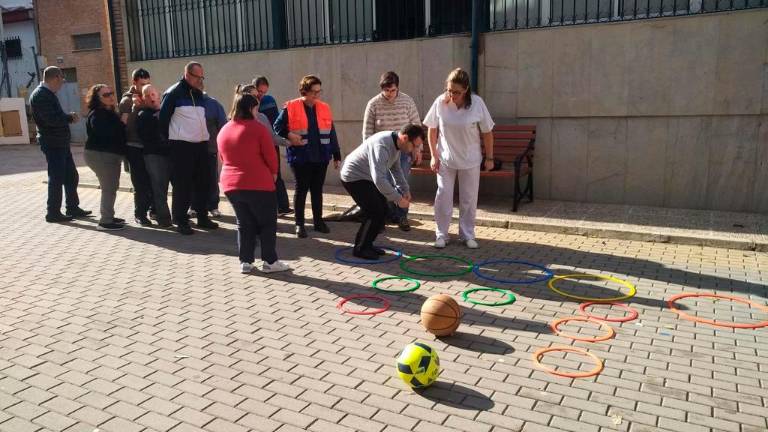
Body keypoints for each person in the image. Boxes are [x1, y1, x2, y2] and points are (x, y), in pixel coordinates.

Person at [218, 92, 290, 274]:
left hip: (231, 184)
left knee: (244, 223)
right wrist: (273, 174)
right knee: (267, 223)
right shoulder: (258, 129)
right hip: (257, 183)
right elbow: (270, 156)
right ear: (251, 108)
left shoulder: (225, 129)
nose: (258, 112)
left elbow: (222, 156)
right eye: (257, 108)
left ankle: (246, 262)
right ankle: (270, 261)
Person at [424, 68, 495, 249]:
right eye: (449, 90)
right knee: (443, 196)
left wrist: (490, 158)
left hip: (470, 159)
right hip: (445, 159)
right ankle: (441, 234)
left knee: (469, 199)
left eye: (456, 92)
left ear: (465, 90)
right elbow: (432, 129)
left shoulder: (477, 103)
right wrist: (433, 155)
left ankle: (467, 234)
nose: (452, 95)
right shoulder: (440, 102)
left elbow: (487, 132)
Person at [340, 124, 424, 260]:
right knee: (374, 212)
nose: (414, 150)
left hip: (367, 178)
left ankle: (368, 244)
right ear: (405, 138)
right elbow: (379, 179)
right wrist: (398, 199)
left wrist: (405, 189)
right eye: (414, 146)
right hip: (353, 177)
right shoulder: (382, 146)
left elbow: (396, 170)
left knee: (383, 210)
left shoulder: (397, 145)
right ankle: (360, 248)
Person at [274, 75, 341, 239]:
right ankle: (299, 224)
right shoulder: (290, 107)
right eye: (313, 92)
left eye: (319, 91)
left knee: (317, 190)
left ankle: (318, 222)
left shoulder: (324, 107)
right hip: (301, 157)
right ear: (304, 91)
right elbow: (277, 127)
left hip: (321, 156)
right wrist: (289, 135)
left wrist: (336, 153)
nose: (317, 95)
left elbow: (331, 131)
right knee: (301, 190)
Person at [159, 61, 218, 235]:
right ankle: (180, 219)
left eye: (202, 77)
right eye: (197, 77)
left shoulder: (199, 94)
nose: (200, 80)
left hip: (200, 145)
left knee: (203, 183)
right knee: (182, 185)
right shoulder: (173, 93)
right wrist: (169, 144)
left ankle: (202, 216)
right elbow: (162, 120)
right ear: (187, 74)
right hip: (181, 146)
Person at [361, 71, 421, 231]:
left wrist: (418, 149)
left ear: (398, 88)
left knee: (401, 183)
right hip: (382, 151)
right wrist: (368, 155)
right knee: (382, 183)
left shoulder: (407, 101)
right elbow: (367, 132)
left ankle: (402, 216)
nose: (389, 94)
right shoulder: (373, 104)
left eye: (392, 90)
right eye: (386, 90)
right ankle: (384, 217)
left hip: (404, 150)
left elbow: (417, 126)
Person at [30, 66, 91, 222]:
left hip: (60, 142)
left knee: (71, 176)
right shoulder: (41, 95)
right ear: (55, 77)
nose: (62, 83)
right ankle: (53, 212)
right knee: (56, 177)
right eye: (62, 79)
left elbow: (53, 117)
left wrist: (66, 117)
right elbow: (50, 120)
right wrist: (69, 118)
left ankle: (72, 207)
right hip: (53, 143)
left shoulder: (47, 94)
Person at [84, 84, 127, 231]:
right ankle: (105, 221)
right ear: (97, 99)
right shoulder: (97, 114)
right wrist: (122, 123)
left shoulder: (108, 112)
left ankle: (109, 215)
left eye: (111, 93)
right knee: (109, 187)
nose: (111, 96)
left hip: (108, 155)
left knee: (111, 186)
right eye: (106, 95)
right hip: (100, 155)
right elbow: (106, 133)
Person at [253, 76, 292, 216]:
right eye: (259, 91)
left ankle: (282, 206)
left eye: (264, 92)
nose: (261, 95)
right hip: (259, 145)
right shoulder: (250, 103)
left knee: (276, 173)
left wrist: (283, 139)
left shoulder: (269, 101)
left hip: (271, 142)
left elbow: (275, 122)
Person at [119, 68, 154, 226]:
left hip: (148, 146)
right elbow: (125, 126)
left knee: (152, 181)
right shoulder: (127, 100)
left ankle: (153, 210)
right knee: (140, 183)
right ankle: (140, 214)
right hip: (133, 146)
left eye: (147, 83)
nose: (145, 86)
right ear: (134, 83)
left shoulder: (148, 95)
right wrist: (136, 108)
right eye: (142, 84)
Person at [137, 84, 172, 228]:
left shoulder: (165, 112)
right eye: (147, 95)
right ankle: (164, 219)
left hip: (169, 154)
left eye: (153, 94)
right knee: (159, 188)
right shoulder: (143, 115)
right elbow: (149, 136)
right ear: (143, 99)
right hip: (154, 155)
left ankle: (175, 215)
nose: (151, 98)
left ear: (158, 96)